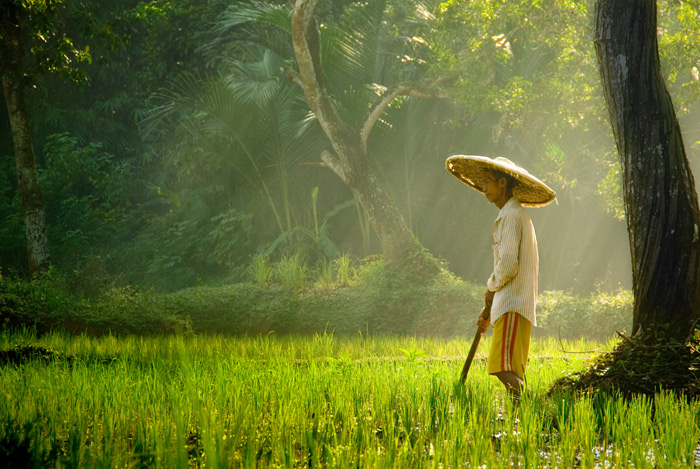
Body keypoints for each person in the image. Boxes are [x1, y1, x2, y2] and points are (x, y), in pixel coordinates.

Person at [445, 155, 556, 400]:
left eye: (487, 182)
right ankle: (521, 419)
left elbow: (506, 266)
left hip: (513, 304)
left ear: (502, 184)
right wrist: (489, 308)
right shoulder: (511, 214)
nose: (483, 188)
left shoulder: (512, 215)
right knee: (510, 369)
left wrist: (490, 289)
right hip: (511, 304)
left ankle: (532, 407)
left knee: (502, 368)